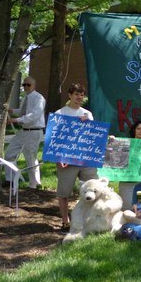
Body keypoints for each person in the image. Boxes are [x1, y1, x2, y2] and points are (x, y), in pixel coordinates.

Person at [55, 83, 99, 231]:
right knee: (64, 191)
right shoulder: (60, 113)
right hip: (66, 159)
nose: (79, 97)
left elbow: (93, 136)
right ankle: (65, 221)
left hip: (86, 158)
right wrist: (59, 158)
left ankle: (89, 218)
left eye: (81, 94)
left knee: (92, 188)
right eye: (76, 94)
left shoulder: (87, 114)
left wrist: (88, 124)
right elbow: (55, 138)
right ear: (70, 95)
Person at [4, 76, 45, 189]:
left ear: (34, 85)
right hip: (23, 131)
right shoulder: (25, 97)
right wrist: (12, 111)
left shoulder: (39, 98)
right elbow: (24, 111)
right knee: (9, 154)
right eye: (24, 85)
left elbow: (34, 115)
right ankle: (11, 179)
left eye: (28, 85)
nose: (26, 87)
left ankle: (35, 184)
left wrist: (15, 120)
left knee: (30, 158)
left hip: (34, 131)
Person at [118, 121, 141, 210]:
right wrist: (111, 140)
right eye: (138, 128)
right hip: (127, 180)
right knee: (126, 208)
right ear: (134, 130)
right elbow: (115, 154)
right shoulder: (125, 143)